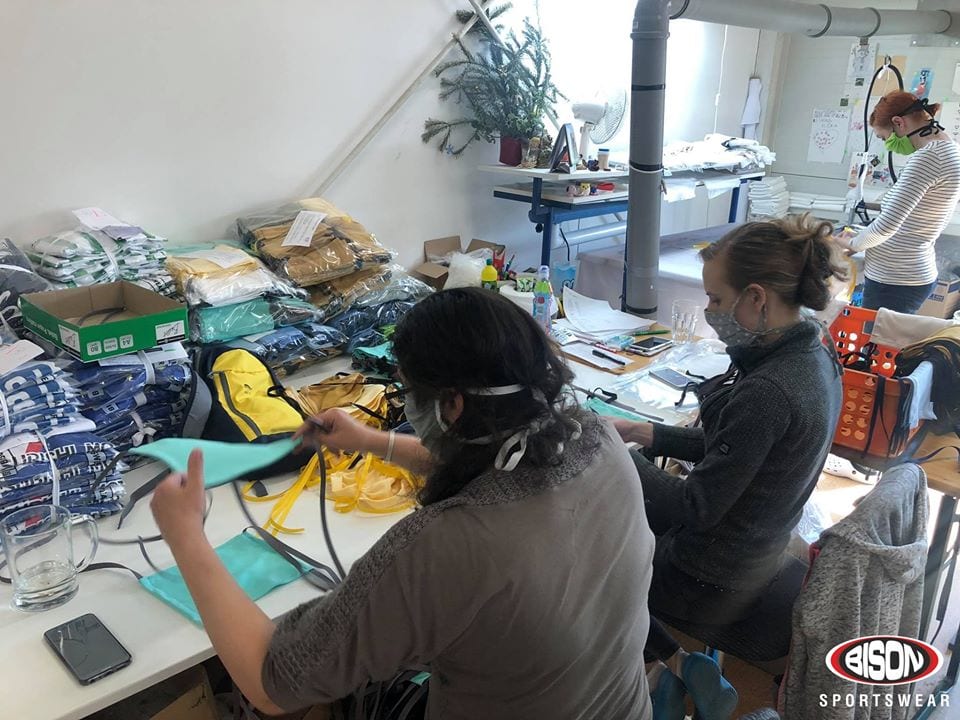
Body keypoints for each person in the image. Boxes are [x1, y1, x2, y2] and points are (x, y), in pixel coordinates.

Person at [150, 287, 657, 720]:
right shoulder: (596, 439)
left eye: (411, 390)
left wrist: (186, 534)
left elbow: (272, 681)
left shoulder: (446, 543)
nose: (408, 402)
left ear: (452, 404)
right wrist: (374, 441)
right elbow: (500, 472)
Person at [614, 216, 845, 720]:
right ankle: (676, 669)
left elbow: (695, 506)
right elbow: (741, 451)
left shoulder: (770, 390)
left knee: (592, 560)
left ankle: (663, 672)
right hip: (755, 550)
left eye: (717, 299)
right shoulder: (816, 350)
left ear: (756, 298)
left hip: (712, 577)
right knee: (618, 526)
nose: (710, 310)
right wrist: (645, 432)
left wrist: (614, 456)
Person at [834, 90, 960, 314]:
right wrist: (859, 237)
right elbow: (910, 221)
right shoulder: (948, 148)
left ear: (899, 123)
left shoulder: (928, 157)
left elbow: (887, 226)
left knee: (876, 336)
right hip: (906, 274)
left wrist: (849, 244)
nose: (888, 145)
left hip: (896, 279)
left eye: (884, 138)